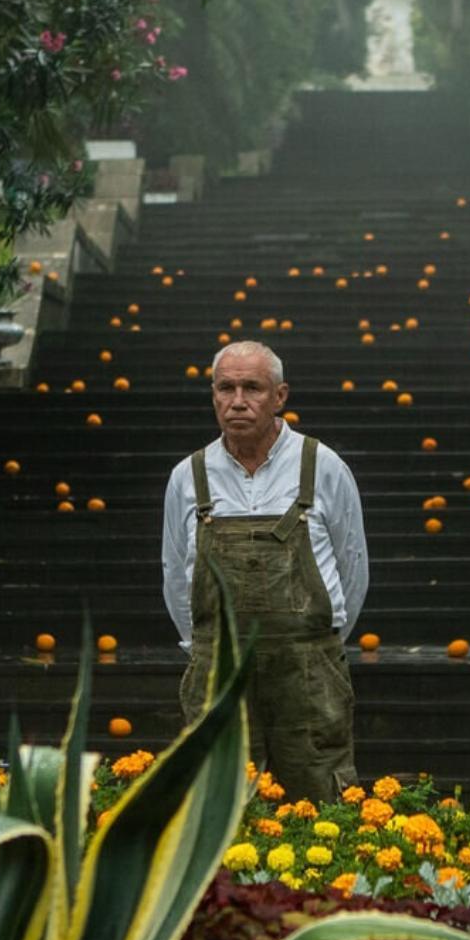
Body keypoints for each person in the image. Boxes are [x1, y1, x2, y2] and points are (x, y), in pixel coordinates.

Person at [162, 340, 368, 804]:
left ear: (280, 396)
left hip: (309, 669)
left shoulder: (324, 467)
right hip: (219, 671)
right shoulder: (187, 477)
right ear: (213, 395)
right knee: (218, 799)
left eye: (252, 388)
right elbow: (176, 576)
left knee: (321, 796)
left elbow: (353, 569)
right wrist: (207, 647)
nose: (238, 401)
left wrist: (316, 642)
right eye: (226, 388)